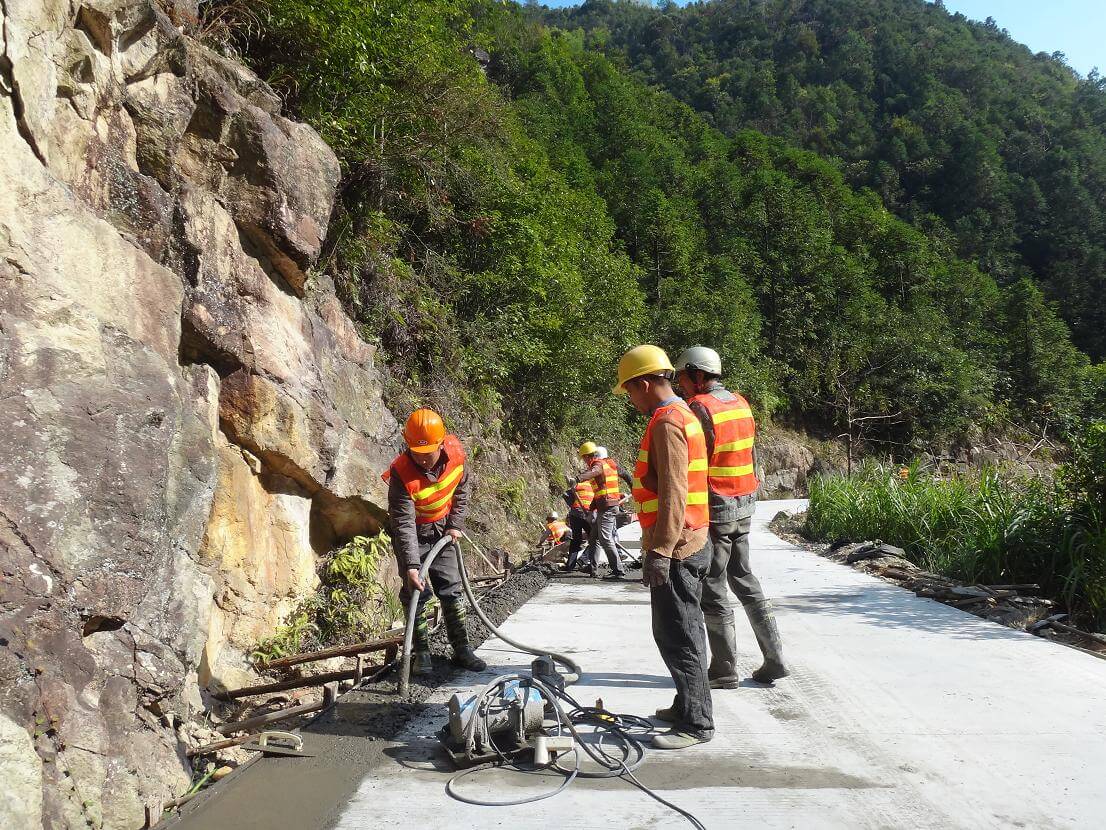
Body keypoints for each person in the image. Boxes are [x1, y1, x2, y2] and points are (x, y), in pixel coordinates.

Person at [614, 344, 713, 749]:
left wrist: (660, 551)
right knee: (681, 630)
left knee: (678, 635)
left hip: (679, 546)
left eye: (631, 392)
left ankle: (696, 723)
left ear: (643, 383)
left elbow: (674, 491)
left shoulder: (666, 422)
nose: (632, 401)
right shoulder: (683, 414)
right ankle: (686, 703)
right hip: (691, 537)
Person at [674, 346, 788, 685]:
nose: (679, 384)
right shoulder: (740, 403)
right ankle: (775, 658)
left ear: (697, 374)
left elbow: (694, 463)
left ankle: (724, 669)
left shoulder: (699, 409)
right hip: (744, 504)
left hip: (717, 505)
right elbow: (751, 453)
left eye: (682, 376)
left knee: (713, 585)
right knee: (745, 578)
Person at [382, 408, 487, 675]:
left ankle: (461, 649)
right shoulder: (401, 473)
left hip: (442, 531)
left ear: (441, 443)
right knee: (416, 592)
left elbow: (461, 492)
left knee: (451, 589)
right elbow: (403, 524)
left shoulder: (456, 456)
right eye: (417, 453)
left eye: (428, 453)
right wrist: (411, 566)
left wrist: (454, 525)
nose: (423, 460)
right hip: (414, 534)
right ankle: (422, 654)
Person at [575, 440, 628, 579]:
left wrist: (578, 479)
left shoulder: (597, 465)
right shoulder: (609, 464)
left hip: (608, 507)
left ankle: (618, 571)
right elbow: (600, 492)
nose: (584, 461)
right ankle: (592, 568)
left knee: (605, 539)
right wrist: (592, 509)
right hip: (605, 505)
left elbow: (595, 471)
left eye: (584, 458)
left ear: (587, 456)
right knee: (594, 538)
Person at [561, 477, 595, 572]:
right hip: (588, 514)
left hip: (575, 514)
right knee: (595, 539)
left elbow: (565, 495)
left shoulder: (578, 485)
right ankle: (583, 560)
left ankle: (570, 565)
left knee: (576, 540)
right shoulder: (594, 487)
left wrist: (572, 505)